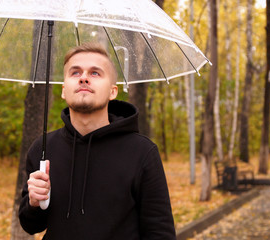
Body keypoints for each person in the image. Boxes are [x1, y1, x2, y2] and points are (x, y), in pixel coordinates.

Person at [19, 43, 176, 240]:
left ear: (113, 92)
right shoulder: (43, 149)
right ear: (63, 90)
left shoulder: (142, 152)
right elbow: (30, 225)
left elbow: (160, 232)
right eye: (75, 73)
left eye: (95, 73)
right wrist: (34, 203)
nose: (84, 78)